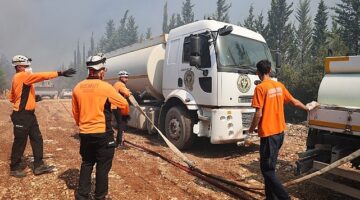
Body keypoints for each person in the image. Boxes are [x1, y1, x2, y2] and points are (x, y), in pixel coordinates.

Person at [249, 59, 309, 200]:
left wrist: (251, 129)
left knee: (267, 171)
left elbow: (259, 113)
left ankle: (284, 198)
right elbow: (294, 102)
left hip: (269, 135)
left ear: (258, 72)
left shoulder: (260, 88)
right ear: (269, 71)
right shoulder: (279, 86)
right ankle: (270, 198)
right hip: (280, 133)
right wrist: (307, 108)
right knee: (270, 167)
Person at [72, 53, 129, 200]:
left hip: (85, 133)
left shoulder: (77, 87)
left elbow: (76, 113)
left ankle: (82, 195)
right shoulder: (105, 87)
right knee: (102, 168)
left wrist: (84, 126)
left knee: (87, 163)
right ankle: (100, 196)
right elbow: (123, 103)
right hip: (103, 134)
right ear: (101, 70)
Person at [8, 55, 76, 178]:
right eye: (26, 65)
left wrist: (33, 99)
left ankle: (39, 165)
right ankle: (14, 167)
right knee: (20, 141)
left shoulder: (16, 78)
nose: (28, 67)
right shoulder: (23, 76)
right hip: (22, 115)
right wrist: (60, 73)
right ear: (18, 66)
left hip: (28, 114)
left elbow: (12, 98)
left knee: (37, 138)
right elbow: (41, 76)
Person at [111, 70, 131, 148]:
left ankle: (119, 142)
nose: (127, 79)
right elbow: (126, 93)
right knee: (121, 124)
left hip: (115, 106)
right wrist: (129, 93)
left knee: (120, 124)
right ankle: (119, 143)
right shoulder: (120, 84)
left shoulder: (116, 84)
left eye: (127, 77)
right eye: (125, 77)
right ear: (121, 77)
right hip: (117, 106)